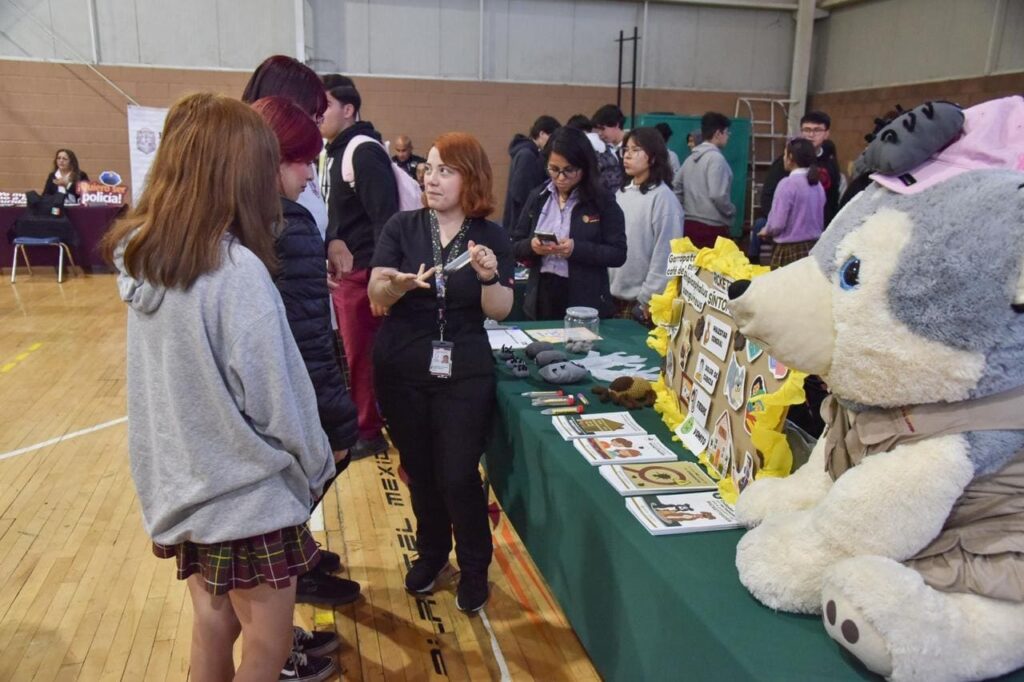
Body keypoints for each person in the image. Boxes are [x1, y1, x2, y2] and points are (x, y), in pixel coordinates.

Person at [102, 92, 335, 682]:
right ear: (238, 173)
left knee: (213, 625)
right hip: (245, 497)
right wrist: (315, 464)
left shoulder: (148, 258)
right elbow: (279, 399)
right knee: (270, 641)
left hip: (185, 486)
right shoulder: (236, 274)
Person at [368, 133, 514, 613]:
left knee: (457, 474)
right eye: (428, 169)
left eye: (445, 170)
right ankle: (431, 554)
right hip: (402, 369)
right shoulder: (403, 226)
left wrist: (490, 277)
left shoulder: (489, 235)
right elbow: (375, 294)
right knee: (423, 472)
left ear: (470, 177)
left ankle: (474, 568)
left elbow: (501, 310)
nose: (431, 178)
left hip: (464, 371)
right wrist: (399, 286)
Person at [242, 54, 355, 592]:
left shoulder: (274, 196)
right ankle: (288, 570)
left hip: (284, 366)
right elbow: (300, 338)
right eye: (311, 116)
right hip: (284, 381)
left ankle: (294, 557)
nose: (319, 132)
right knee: (304, 468)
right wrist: (333, 422)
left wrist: (325, 243)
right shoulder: (272, 213)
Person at [320, 80, 399, 460]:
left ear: (349, 109)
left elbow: (386, 219)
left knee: (362, 355)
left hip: (364, 273)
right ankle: (361, 422)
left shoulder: (363, 152)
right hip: (344, 273)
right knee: (348, 355)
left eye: (326, 105)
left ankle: (369, 430)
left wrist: (379, 277)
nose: (318, 114)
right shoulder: (331, 152)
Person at [511, 126, 626, 320]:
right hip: (542, 294)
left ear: (584, 167)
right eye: (554, 169)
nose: (561, 178)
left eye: (569, 170)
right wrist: (532, 246)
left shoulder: (602, 201)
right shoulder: (539, 196)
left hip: (584, 299)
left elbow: (618, 253)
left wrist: (576, 249)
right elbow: (514, 243)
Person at [241, 55, 330, 240]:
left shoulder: (302, 160)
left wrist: (332, 241)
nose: (317, 124)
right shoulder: (246, 175)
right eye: (313, 115)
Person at [610, 127, 683, 324]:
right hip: (611, 296)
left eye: (635, 150)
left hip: (639, 305)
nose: (627, 155)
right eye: (625, 149)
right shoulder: (622, 193)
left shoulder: (663, 199)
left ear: (652, 157)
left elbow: (666, 256)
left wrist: (647, 299)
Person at [761, 110, 841, 226]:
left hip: (818, 227)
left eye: (817, 130)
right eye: (807, 130)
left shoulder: (830, 161)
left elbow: (833, 199)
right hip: (786, 226)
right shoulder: (787, 160)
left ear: (827, 133)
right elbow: (768, 195)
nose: (811, 135)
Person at [758, 138, 826, 269]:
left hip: (789, 251)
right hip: (813, 250)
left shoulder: (787, 184)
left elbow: (777, 224)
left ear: (790, 157)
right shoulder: (817, 185)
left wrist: (766, 230)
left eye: (784, 154)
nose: (783, 158)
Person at [672, 112, 735, 248]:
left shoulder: (689, 159)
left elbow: (676, 187)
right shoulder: (716, 159)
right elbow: (717, 194)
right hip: (712, 228)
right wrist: (730, 210)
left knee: (687, 269)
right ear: (718, 133)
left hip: (688, 226)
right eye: (726, 132)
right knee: (710, 269)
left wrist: (683, 209)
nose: (728, 136)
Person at [502, 114, 560, 229]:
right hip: (519, 221)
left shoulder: (526, 152)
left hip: (516, 219)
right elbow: (521, 193)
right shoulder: (527, 155)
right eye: (551, 136)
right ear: (542, 133)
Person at [591, 104, 627, 192]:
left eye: (602, 129)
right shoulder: (605, 149)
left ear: (616, 125)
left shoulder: (631, 147)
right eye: (598, 130)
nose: (599, 133)